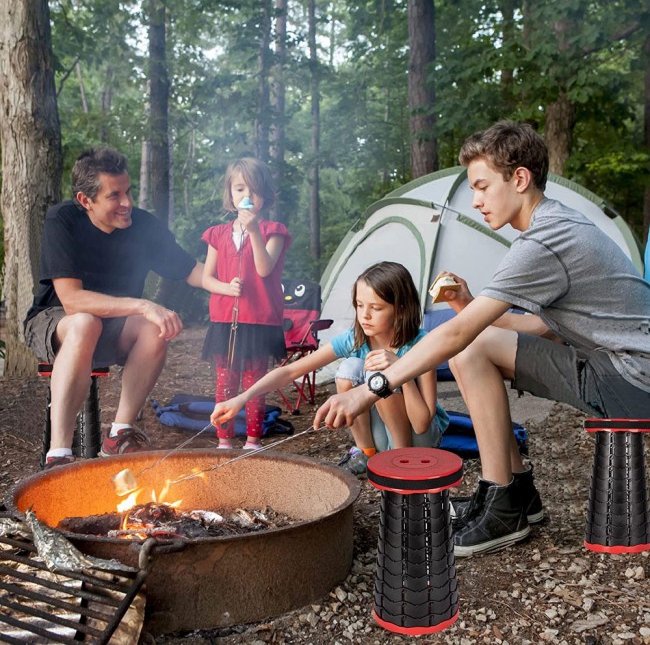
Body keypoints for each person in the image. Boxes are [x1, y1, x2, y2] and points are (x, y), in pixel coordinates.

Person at [314, 120, 650, 555]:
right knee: (476, 346)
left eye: (482, 186)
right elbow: (539, 328)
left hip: (632, 377)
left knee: (470, 350)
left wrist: (372, 388)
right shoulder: (558, 225)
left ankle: (502, 504)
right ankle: (518, 495)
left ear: (520, 179)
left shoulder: (545, 240)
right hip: (623, 367)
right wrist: (470, 304)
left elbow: (458, 335)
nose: (475, 201)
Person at [24, 147, 204, 469]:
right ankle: (59, 454)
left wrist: (239, 282)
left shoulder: (143, 227)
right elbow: (72, 300)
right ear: (85, 201)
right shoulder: (62, 221)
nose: (127, 204)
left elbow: (193, 271)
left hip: (116, 328)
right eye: (115, 195)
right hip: (57, 322)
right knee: (85, 323)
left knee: (154, 327)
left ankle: (119, 434)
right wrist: (142, 304)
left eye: (129, 191)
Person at [210, 261, 449, 477]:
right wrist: (242, 398)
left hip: (419, 440)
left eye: (376, 308)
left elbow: (421, 424)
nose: (364, 315)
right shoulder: (355, 339)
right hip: (381, 432)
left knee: (380, 376)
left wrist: (400, 371)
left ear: (401, 308)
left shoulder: (421, 344)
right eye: (359, 305)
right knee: (350, 367)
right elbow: (291, 372)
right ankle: (365, 453)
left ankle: (399, 462)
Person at [201, 158, 291, 450]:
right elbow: (206, 279)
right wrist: (227, 289)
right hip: (224, 319)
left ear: (265, 196)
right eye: (240, 189)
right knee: (226, 381)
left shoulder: (273, 230)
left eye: (254, 190)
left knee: (254, 382)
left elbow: (264, 269)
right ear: (230, 193)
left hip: (260, 319)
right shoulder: (217, 234)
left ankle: (252, 441)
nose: (247, 197)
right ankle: (224, 440)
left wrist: (253, 231)